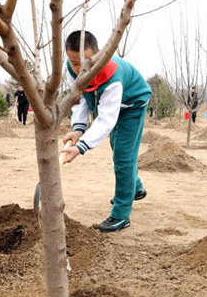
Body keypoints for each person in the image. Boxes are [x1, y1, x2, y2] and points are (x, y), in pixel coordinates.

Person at [60, 30, 152, 233]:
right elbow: (81, 97)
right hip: (110, 106)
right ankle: (134, 187)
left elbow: (106, 120)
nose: (80, 68)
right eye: (74, 62)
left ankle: (121, 214)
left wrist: (82, 146)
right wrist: (78, 128)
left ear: (98, 53)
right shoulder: (71, 68)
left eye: (85, 61)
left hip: (132, 104)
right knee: (117, 148)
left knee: (123, 156)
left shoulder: (112, 75)